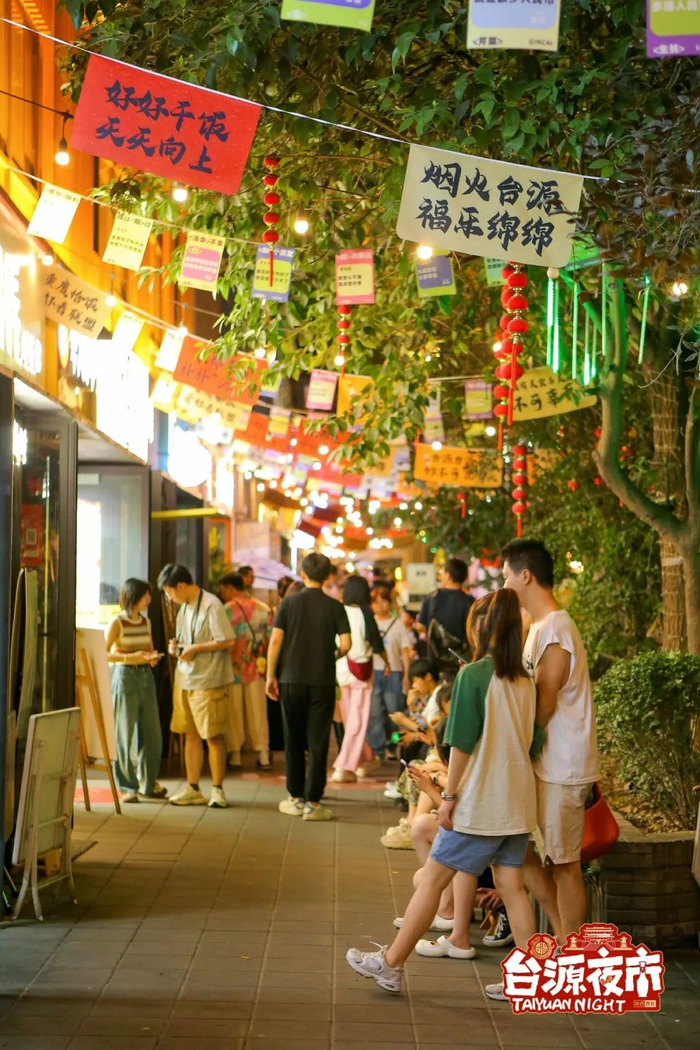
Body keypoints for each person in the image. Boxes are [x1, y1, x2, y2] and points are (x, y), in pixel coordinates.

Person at [346, 588, 542, 997]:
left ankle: (391, 964)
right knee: (513, 888)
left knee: (433, 879)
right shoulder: (525, 681)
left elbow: (461, 744)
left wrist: (448, 797)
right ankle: (532, 981)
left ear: (483, 628)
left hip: (482, 802)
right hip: (518, 800)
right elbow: (534, 743)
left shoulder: (474, 676)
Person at [502, 538, 599, 946]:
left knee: (564, 864)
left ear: (525, 576)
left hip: (563, 765)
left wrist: (520, 749)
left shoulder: (556, 628)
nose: (503, 584)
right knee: (526, 853)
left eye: (505, 576)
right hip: (548, 763)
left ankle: (573, 951)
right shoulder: (539, 627)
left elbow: (544, 704)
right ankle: (562, 937)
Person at [266, 552, 351, 821]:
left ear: (302, 574)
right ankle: (313, 802)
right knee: (318, 741)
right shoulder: (335, 606)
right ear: (327, 577)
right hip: (322, 681)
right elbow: (346, 645)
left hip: (290, 678)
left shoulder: (288, 603)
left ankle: (294, 797)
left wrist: (270, 675)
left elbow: (275, 641)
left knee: (292, 739)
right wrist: (331, 656)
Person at [158, 564, 235, 809]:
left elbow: (227, 640)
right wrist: (176, 647)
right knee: (189, 734)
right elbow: (184, 641)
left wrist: (195, 649)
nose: (170, 598)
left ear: (181, 586)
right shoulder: (184, 607)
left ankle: (218, 789)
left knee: (212, 735)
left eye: (170, 592)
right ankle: (193, 788)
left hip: (209, 680)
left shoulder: (211, 604)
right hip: (185, 678)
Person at [105, 579, 166, 804]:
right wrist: (131, 657)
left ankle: (148, 783)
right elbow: (104, 653)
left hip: (145, 677)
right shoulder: (117, 622)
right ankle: (126, 786)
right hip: (125, 677)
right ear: (133, 596)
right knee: (124, 733)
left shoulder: (146, 622)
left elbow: (148, 649)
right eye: (145, 595)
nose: (148, 599)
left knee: (152, 733)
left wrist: (151, 657)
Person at [332, 575, 391, 783]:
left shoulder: (338, 610)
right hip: (362, 673)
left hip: (341, 672)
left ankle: (367, 758)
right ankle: (344, 766)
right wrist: (387, 663)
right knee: (357, 720)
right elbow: (377, 644)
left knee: (351, 720)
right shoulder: (366, 614)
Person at [220, 572, 273, 772]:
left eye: (223, 590)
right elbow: (270, 639)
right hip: (256, 667)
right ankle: (263, 755)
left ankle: (235, 755)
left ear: (230, 588)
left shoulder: (226, 610)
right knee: (258, 711)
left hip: (232, 668)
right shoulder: (263, 609)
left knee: (234, 711)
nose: (222, 594)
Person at [367, 587, 412, 762]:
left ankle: (393, 746)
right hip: (373, 671)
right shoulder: (369, 623)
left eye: (383, 601)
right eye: (375, 602)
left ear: (389, 603)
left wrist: (406, 675)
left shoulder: (398, 624)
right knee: (375, 713)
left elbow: (404, 651)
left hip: (394, 672)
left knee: (394, 713)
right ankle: (378, 749)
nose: (379, 605)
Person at [418, 557, 474, 670]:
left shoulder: (431, 598)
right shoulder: (470, 602)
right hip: (460, 660)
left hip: (434, 659)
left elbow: (421, 626)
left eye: (442, 572)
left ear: (448, 575)